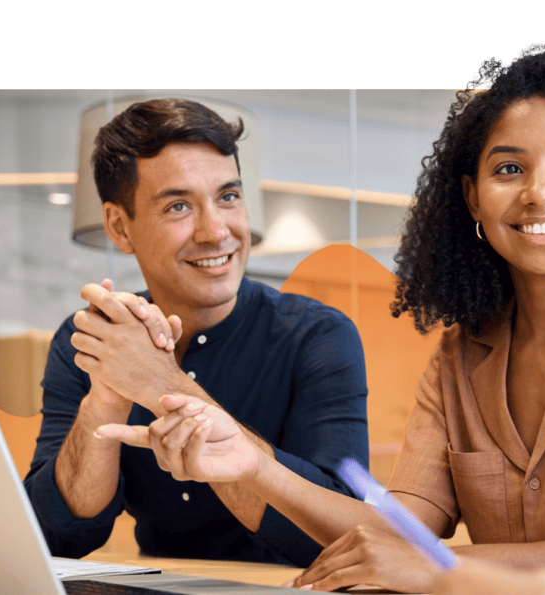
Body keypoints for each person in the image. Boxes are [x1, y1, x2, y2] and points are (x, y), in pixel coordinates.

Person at [96, 46, 545, 591]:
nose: (539, 192)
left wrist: (451, 565)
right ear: (472, 196)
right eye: (509, 168)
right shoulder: (460, 353)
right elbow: (396, 531)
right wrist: (254, 465)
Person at [23, 98, 370, 567]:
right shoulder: (93, 340)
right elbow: (53, 538)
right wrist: (104, 401)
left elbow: (345, 540)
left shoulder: (318, 336)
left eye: (229, 197)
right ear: (119, 228)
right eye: (179, 206)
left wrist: (160, 383)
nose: (215, 231)